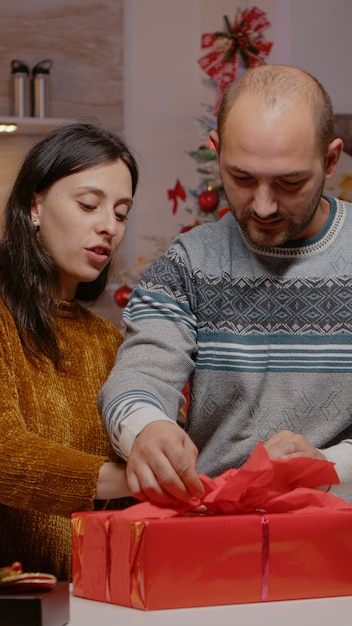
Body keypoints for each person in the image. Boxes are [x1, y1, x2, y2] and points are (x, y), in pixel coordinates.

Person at [100, 64, 352, 507]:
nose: (264, 205)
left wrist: (325, 464)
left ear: (331, 160)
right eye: (242, 178)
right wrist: (147, 429)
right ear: (215, 151)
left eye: (290, 182)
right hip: (216, 534)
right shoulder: (187, 264)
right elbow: (140, 374)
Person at [0, 122, 139, 581]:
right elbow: (6, 452)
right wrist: (129, 477)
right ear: (34, 204)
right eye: (88, 204)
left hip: (97, 596)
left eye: (121, 213)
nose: (108, 227)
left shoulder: (109, 340)